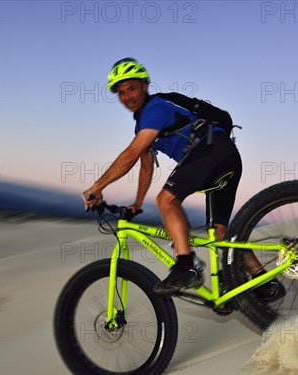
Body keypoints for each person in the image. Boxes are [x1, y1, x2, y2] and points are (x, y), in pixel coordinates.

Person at [83, 58, 283, 299]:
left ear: (145, 85)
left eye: (132, 88)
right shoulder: (144, 124)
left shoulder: (156, 109)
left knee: (167, 201)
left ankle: (186, 266)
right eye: (121, 92)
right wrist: (136, 204)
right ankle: (263, 282)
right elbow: (145, 165)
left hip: (211, 152)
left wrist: (97, 186)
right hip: (225, 157)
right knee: (221, 236)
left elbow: (130, 156)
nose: (127, 96)